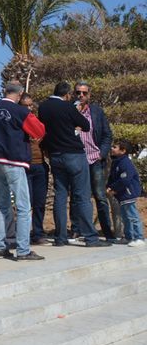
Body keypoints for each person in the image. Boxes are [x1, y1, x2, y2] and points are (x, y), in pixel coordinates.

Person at [0, 83, 47, 260]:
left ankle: (0, 246)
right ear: (20, 94)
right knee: (23, 207)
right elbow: (39, 130)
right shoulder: (21, 111)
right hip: (14, 161)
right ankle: (23, 249)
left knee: (2, 204)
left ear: (4, 92)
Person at [38, 82, 110, 248]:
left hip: (56, 155)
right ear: (67, 94)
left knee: (60, 196)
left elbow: (44, 130)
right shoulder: (68, 107)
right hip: (74, 155)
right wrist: (74, 114)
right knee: (82, 196)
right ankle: (91, 238)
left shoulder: (43, 107)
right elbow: (85, 125)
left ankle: (60, 237)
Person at [74, 82, 116, 241]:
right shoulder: (70, 111)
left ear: (89, 95)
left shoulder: (96, 112)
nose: (81, 95)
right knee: (79, 196)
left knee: (100, 195)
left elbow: (107, 134)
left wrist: (102, 153)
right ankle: (78, 230)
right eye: (78, 92)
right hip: (78, 159)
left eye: (84, 93)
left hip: (95, 159)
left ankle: (107, 231)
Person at [21, 94, 50, 245]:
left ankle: (38, 232)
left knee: (39, 202)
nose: (28, 108)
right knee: (26, 203)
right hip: (25, 167)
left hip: (40, 165)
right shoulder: (17, 123)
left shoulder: (38, 122)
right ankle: (24, 233)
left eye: (30, 105)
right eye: (25, 105)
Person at [107, 140, 144, 246]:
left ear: (123, 151)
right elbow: (112, 177)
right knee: (125, 217)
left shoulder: (125, 163)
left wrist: (113, 188)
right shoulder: (116, 162)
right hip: (122, 194)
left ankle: (139, 237)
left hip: (128, 193)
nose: (112, 148)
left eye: (115, 147)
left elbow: (125, 179)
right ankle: (128, 237)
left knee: (132, 216)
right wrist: (108, 187)